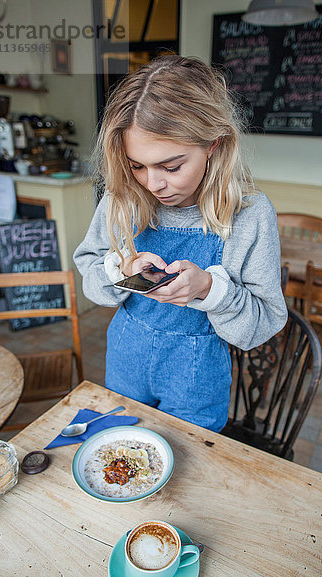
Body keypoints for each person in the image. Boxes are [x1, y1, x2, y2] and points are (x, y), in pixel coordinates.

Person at [73, 54, 287, 432]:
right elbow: (92, 277)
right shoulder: (122, 197)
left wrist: (208, 289)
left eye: (171, 167)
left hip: (195, 379)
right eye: (137, 165)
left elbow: (261, 325)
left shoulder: (250, 214)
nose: (153, 184)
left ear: (214, 146)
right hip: (126, 359)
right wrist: (121, 269)